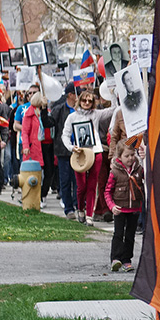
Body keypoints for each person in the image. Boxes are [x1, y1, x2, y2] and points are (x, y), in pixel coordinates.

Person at [61, 88, 106, 224]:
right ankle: (80, 208)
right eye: (84, 100)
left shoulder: (96, 114)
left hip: (95, 152)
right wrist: (71, 147)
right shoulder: (72, 117)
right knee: (81, 186)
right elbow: (65, 135)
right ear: (79, 101)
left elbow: (112, 111)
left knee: (92, 185)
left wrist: (115, 94)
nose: (86, 103)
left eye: (89, 101)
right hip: (79, 153)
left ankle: (89, 215)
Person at [105, 134, 145, 273]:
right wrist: (112, 206)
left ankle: (127, 260)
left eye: (132, 155)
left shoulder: (139, 169)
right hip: (120, 209)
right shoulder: (115, 171)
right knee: (118, 234)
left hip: (134, 209)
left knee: (130, 235)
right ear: (120, 157)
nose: (130, 158)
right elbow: (107, 191)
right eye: (127, 156)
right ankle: (116, 258)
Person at [50, 83, 78, 218]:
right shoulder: (59, 110)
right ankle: (68, 208)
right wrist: (44, 109)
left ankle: (78, 204)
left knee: (78, 181)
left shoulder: (81, 109)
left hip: (79, 151)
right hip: (63, 151)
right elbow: (49, 122)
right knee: (65, 180)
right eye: (76, 93)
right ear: (70, 95)